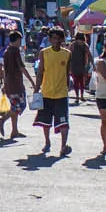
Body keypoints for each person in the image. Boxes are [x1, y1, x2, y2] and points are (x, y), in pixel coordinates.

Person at [32, 28, 73, 157]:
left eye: (59, 38)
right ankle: (47, 142)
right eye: (53, 38)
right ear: (49, 39)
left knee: (63, 121)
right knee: (45, 121)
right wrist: (36, 89)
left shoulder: (67, 54)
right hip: (46, 92)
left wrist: (68, 87)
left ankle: (63, 146)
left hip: (62, 94)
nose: (56, 41)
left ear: (62, 39)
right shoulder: (44, 53)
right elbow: (40, 72)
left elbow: (67, 73)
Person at [0, 31, 28, 141]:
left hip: (9, 82)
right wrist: (32, 81)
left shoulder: (6, 51)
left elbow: (5, 69)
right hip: (16, 84)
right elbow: (22, 68)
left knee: (14, 105)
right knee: (20, 105)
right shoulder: (15, 51)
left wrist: (4, 83)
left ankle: (14, 131)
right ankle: (2, 120)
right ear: (17, 40)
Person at [67, 33, 93, 106]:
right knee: (79, 81)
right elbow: (89, 55)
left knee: (78, 81)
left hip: (77, 65)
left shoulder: (74, 44)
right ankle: (80, 96)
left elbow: (68, 54)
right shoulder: (82, 45)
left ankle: (78, 96)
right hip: (79, 65)